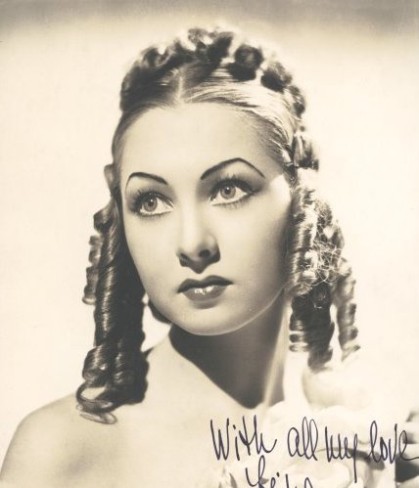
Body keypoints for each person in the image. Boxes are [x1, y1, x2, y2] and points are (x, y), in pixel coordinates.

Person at [0, 25, 417, 488]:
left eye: (228, 189)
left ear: (301, 195)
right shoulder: (61, 453)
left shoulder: (379, 431)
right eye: (151, 201)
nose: (192, 243)